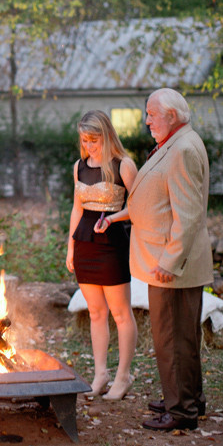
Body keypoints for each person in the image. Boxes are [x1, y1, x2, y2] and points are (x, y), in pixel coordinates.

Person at [97, 88, 213, 431]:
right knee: (181, 338)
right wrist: (117, 218)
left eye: (151, 114)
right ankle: (188, 398)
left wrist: (169, 261)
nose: (146, 120)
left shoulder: (183, 150)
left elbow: (188, 214)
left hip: (171, 266)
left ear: (172, 117)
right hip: (167, 261)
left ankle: (181, 412)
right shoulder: (176, 144)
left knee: (171, 339)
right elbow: (156, 202)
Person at [66, 110, 138, 400]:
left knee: (120, 313)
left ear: (107, 136)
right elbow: (77, 208)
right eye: (85, 140)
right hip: (85, 242)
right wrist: (70, 246)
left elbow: (139, 207)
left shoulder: (124, 165)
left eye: (93, 140)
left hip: (112, 244)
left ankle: (123, 377)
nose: (89, 146)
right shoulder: (79, 167)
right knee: (96, 313)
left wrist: (112, 218)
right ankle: (100, 375)